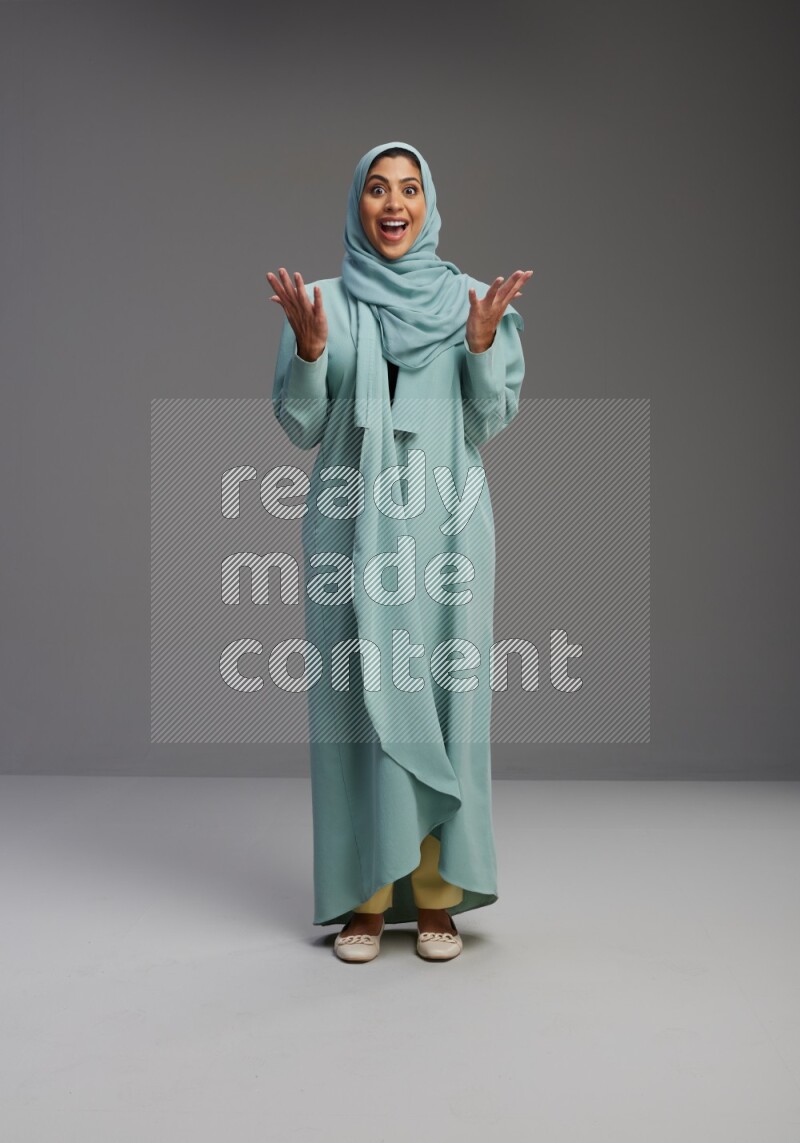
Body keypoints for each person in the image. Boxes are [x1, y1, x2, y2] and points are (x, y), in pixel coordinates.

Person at [268, 141, 532, 962]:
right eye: (378, 189)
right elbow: (303, 426)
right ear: (358, 204)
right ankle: (368, 899)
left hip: (447, 529)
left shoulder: (469, 301)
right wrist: (311, 354)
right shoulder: (323, 302)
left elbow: (485, 423)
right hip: (351, 531)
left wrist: (480, 349)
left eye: (409, 189)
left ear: (428, 203)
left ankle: (438, 896)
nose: (393, 203)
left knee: (447, 706)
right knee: (357, 711)